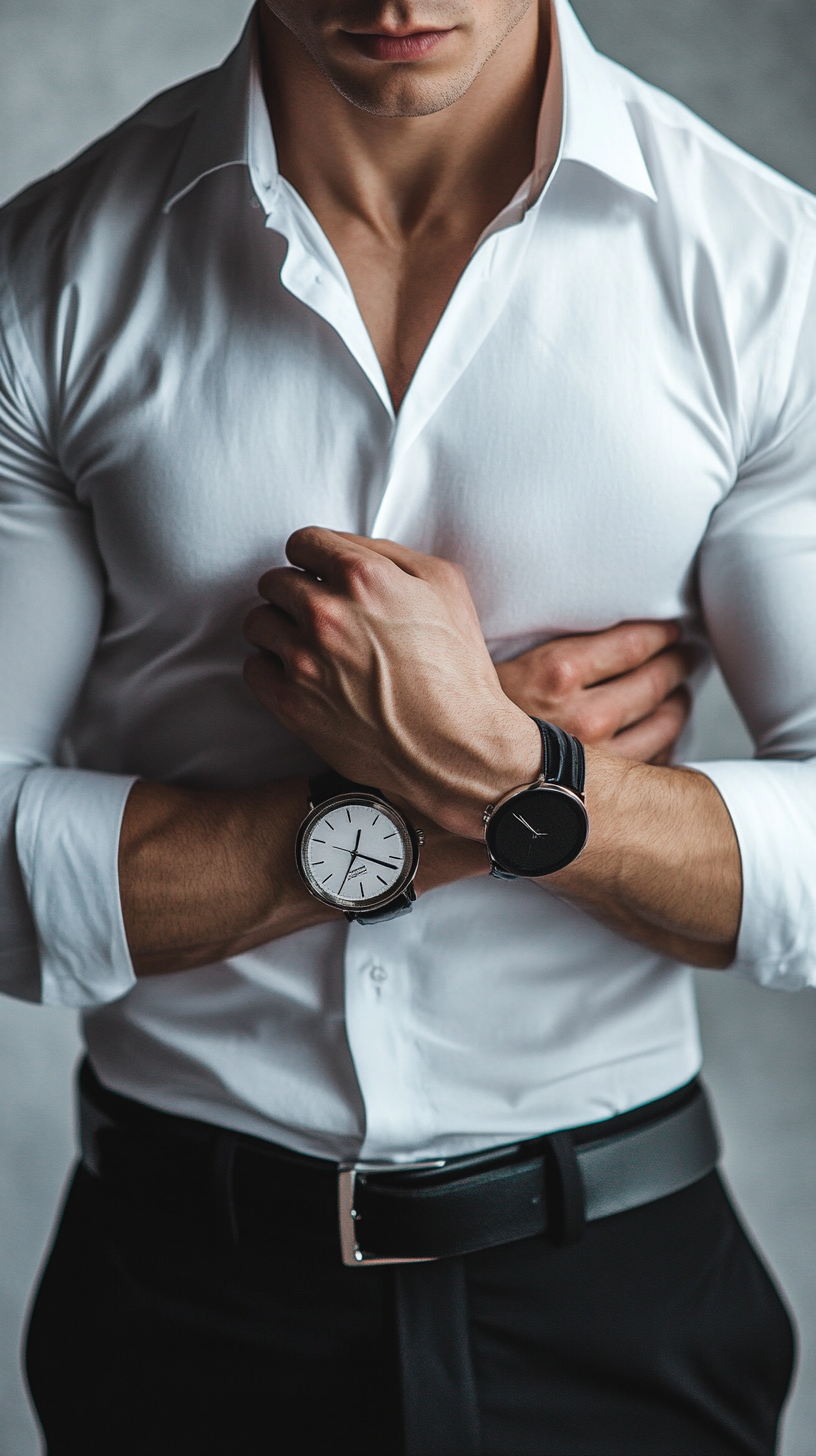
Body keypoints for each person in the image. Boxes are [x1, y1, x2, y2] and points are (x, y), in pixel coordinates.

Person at [1, 0, 814, 1450]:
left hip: (615, 1294)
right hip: (175, 1304)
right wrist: (480, 792)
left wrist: (499, 763)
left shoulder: (765, 277)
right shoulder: (46, 282)